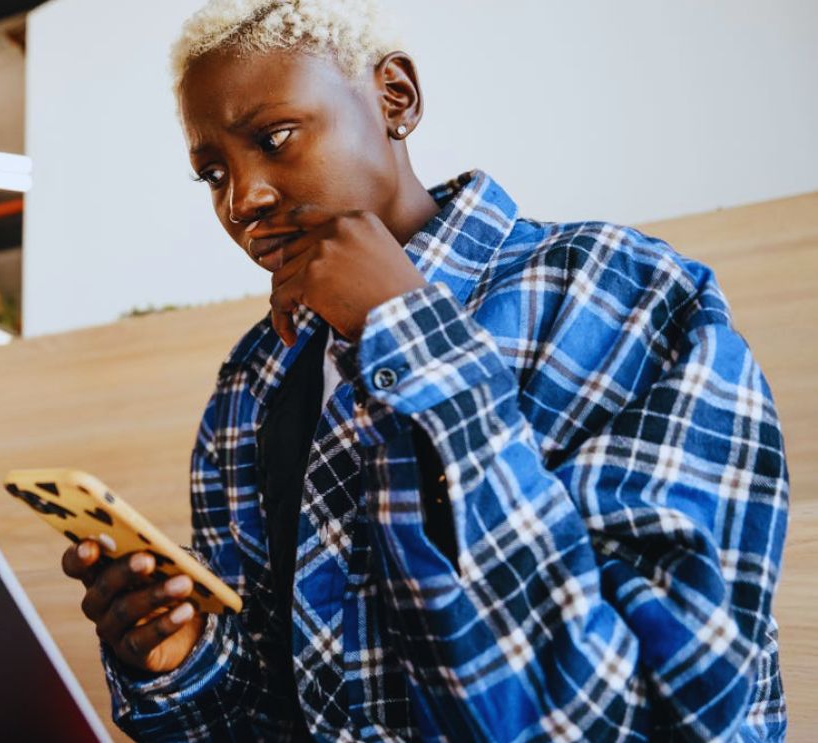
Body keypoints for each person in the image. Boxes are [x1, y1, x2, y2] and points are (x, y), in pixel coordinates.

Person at [60, 0, 789, 739]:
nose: (243, 198)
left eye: (274, 137)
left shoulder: (622, 292)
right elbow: (269, 717)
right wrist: (181, 663)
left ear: (394, 97)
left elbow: (677, 706)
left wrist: (412, 336)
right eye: (212, 172)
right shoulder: (252, 383)